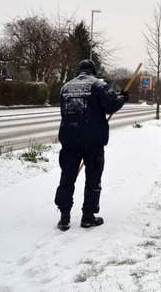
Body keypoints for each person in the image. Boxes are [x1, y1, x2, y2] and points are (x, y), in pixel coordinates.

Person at [54, 59, 129, 231]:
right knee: (93, 179)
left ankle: (64, 216)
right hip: (93, 142)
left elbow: (63, 112)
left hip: (69, 141)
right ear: (93, 71)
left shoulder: (66, 87)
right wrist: (123, 98)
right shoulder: (98, 86)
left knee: (67, 178)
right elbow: (111, 105)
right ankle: (88, 216)